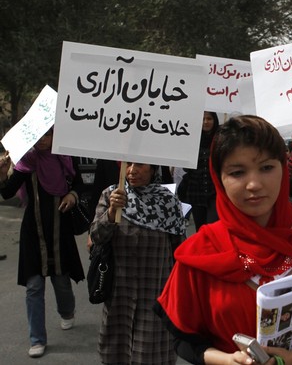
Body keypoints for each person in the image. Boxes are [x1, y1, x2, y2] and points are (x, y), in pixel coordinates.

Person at [154, 115, 292, 364]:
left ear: (283, 168)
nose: (254, 184)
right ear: (219, 178)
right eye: (237, 172)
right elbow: (183, 339)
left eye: (267, 168)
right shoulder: (201, 251)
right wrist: (226, 360)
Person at [90, 162, 187, 364]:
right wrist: (111, 212)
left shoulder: (168, 200)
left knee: (150, 354)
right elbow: (96, 236)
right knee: (117, 351)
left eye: (140, 165)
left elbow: (180, 250)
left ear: (153, 169)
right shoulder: (111, 195)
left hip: (155, 293)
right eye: (128, 164)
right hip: (119, 293)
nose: (132, 170)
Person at [0, 128, 85, 358]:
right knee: (34, 285)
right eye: (37, 136)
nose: (41, 140)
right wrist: (2, 174)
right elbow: (7, 192)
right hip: (33, 229)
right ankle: (37, 338)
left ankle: (67, 311)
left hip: (59, 228)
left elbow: (79, 185)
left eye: (46, 135)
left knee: (61, 280)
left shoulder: (65, 158)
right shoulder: (28, 160)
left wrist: (72, 195)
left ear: (55, 136)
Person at [177, 111, 220, 230]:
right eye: (202, 119)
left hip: (214, 191)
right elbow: (186, 167)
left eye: (209, 119)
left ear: (214, 120)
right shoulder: (192, 140)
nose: (205, 122)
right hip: (196, 191)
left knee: (213, 226)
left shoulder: (220, 140)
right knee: (201, 228)